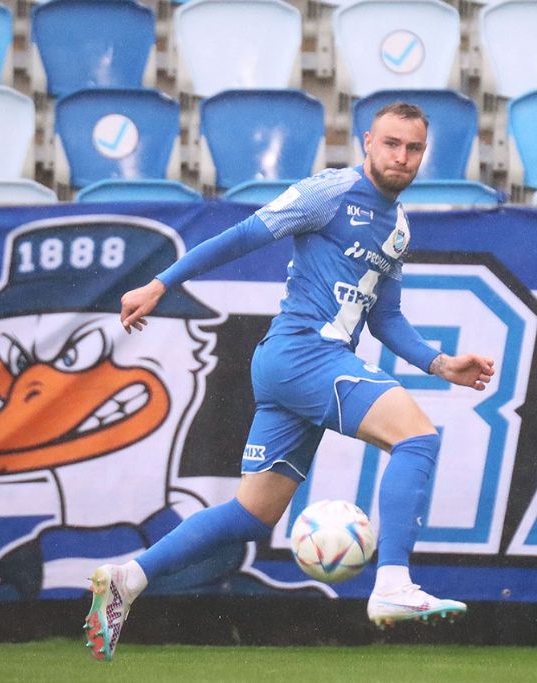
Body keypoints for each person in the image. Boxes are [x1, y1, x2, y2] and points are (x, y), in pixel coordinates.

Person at [83, 102, 496, 662]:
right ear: (367, 142)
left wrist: (440, 364)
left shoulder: (398, 226)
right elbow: (244, 235)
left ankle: (129, 578)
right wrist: (161, 283)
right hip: (304, 352)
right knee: (417, 439)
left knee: (251, 516)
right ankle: (394, 582)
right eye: (391, 143)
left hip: (294, 366)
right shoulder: (330, 192)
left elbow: (385, 317)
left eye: (414, 148)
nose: (402, 157)